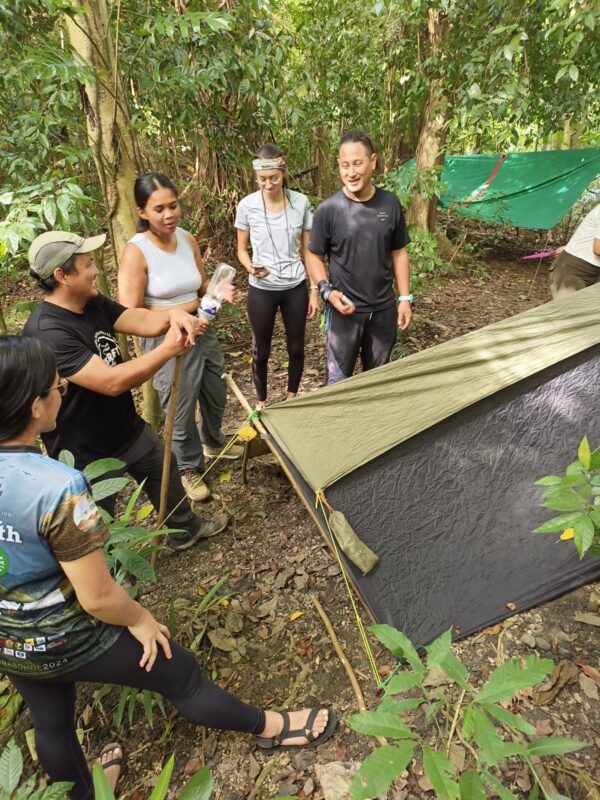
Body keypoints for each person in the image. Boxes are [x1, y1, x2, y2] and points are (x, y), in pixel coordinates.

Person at [0, 335, 336, 799]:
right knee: (182, 676)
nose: (62, 389)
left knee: (51, 722)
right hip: (70, 634)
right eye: (54, 387)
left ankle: (86, 792)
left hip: (10, 640)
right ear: (34, 407)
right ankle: (274, 727)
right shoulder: (58, 487)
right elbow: (96, 597)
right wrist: (140, 619)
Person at [23, 230, 227, 551]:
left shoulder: (90, 302)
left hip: (125, 428)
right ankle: (112, 569)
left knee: (164, 468)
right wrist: (166, 351)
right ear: (61, 275)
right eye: (88, 264)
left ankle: (182, 529)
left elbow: (137, 319)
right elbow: (111, 381)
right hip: (86, 450)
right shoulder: (48, 331)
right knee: (99, 518)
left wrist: (174, 314)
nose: (96, 271)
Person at [118, 174, 243, 503]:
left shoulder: (186, 239)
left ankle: (214, 441)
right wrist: (187, 310)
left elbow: (202, 285)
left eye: (173, 205)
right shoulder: (137, 252)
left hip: (203, 329)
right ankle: (188, 466)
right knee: (181, 406)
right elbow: (129, 313)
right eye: (159, 209)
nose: (169, 214)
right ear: (142, 212)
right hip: (166, 340)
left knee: (216, 392)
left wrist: (217, 291)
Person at [306, 130, 412, 384]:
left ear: (372, 161)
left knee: (377, 384)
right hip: (343, 312)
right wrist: (326, 291)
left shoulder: (390, 204)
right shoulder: (328, 210)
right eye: (345, 165)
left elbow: (399, 252)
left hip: (383, 312)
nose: (351, 172)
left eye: (357, 163)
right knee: (338, 384)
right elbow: (313, 255)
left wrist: (405, 298)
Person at [234, 145, 317, 407]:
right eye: (262, 179)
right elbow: (241, 249)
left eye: (274, 178)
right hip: (262, 288)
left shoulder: (300, 203)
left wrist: (314, 289)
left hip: (295, 286)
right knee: (261, 351)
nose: (268, 184)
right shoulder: (247, 206)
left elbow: (309, 250)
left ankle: (291, 398)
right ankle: (262, 402)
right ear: (255, 177)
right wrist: (250, 267)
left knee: (296, 348)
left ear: (283, 173)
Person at [549, 203, 600, 299]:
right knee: (571, 312)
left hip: (595, 272)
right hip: (574, 269)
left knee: (592, 312)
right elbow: (598, 249)